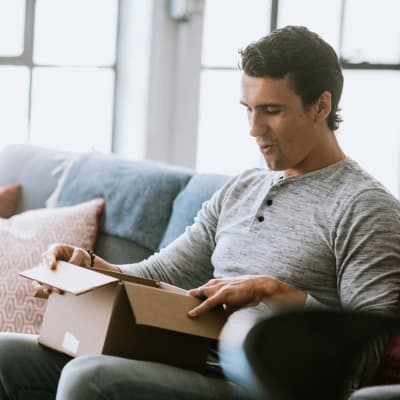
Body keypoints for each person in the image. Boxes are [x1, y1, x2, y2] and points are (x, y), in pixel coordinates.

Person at [0, 25, 400, 400]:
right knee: (5, 354)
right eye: (248, 108)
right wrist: (87, 266)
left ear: (321, 105)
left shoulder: (365, 207)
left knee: (89, 378)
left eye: (272, 110)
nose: (253, 128)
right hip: (188, 359)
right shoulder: (241, 188)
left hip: (262, 384)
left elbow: (366, 354)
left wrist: (280, 295)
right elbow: (161, 274)